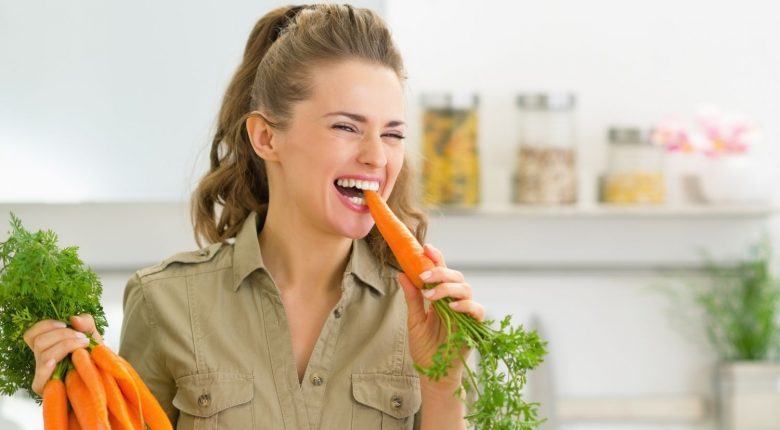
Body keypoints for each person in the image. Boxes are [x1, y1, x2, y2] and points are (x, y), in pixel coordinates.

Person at [23, 4, 486, 429]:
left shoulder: (425, 320)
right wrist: (76, 398)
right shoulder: (166, 303)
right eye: (346, 127)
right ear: (266, 137)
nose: (376, 157)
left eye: (392, 134)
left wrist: (444, 385)